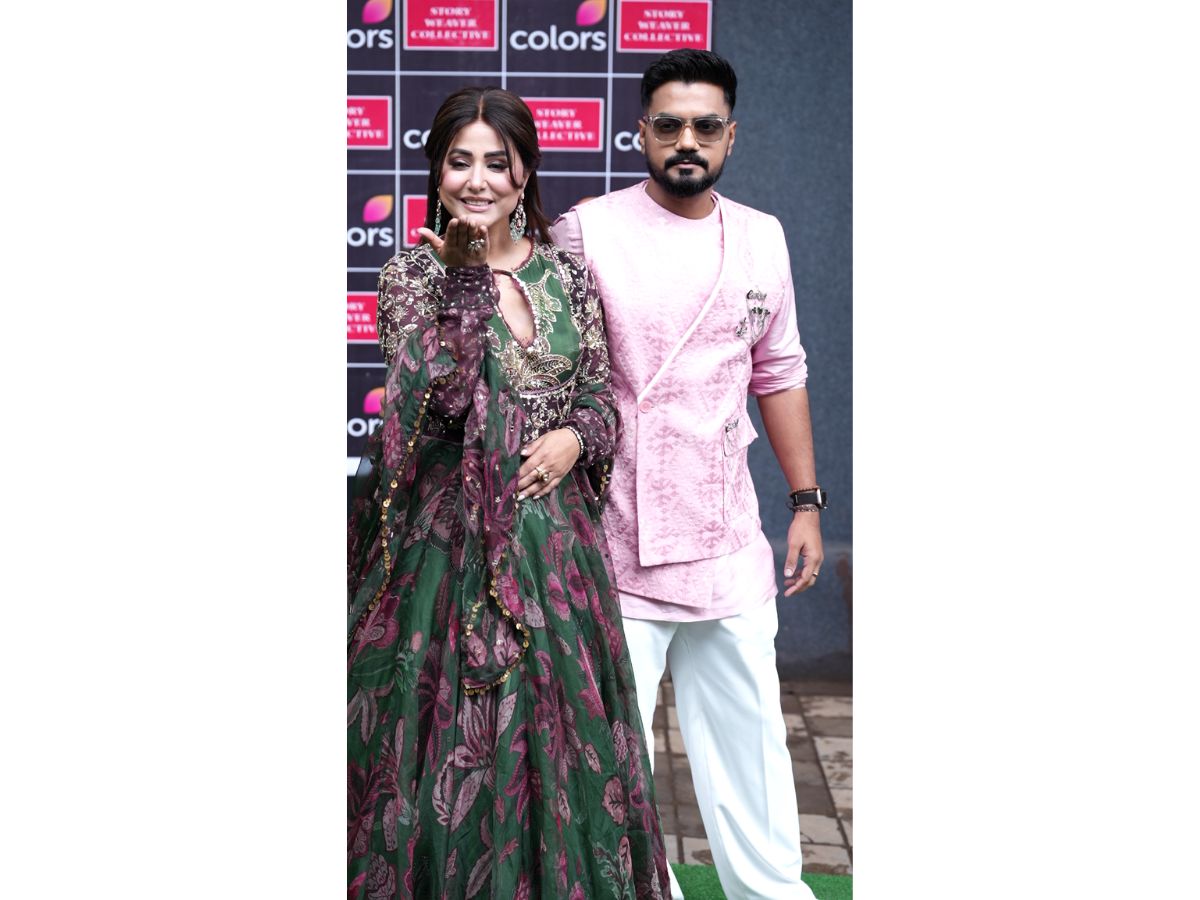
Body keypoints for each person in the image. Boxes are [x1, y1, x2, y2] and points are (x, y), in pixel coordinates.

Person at [348, 86, 670, 900]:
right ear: (437, 172)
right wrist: (463, 286)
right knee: (449, 741)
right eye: (461, 162)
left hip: (556, 555)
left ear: (525, 173)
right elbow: (442, 407)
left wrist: (573, 440)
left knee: (561, 742)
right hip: (447, 551)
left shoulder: (566, 275)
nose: (479, 180)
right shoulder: (409, 277)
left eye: (498, 163)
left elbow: (599, 396)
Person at [551, 50, 827, 900]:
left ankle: (771, 892)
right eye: (669, 125)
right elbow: (547, 368)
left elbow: (779, 372)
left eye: (706, 127)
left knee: (753, 749)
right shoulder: (587, 231)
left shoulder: (761, 236)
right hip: (616, 540)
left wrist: (806, 502)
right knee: (610, 758)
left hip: (725, 532)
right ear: (641, 131)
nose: (687, 141)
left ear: (731, 137)